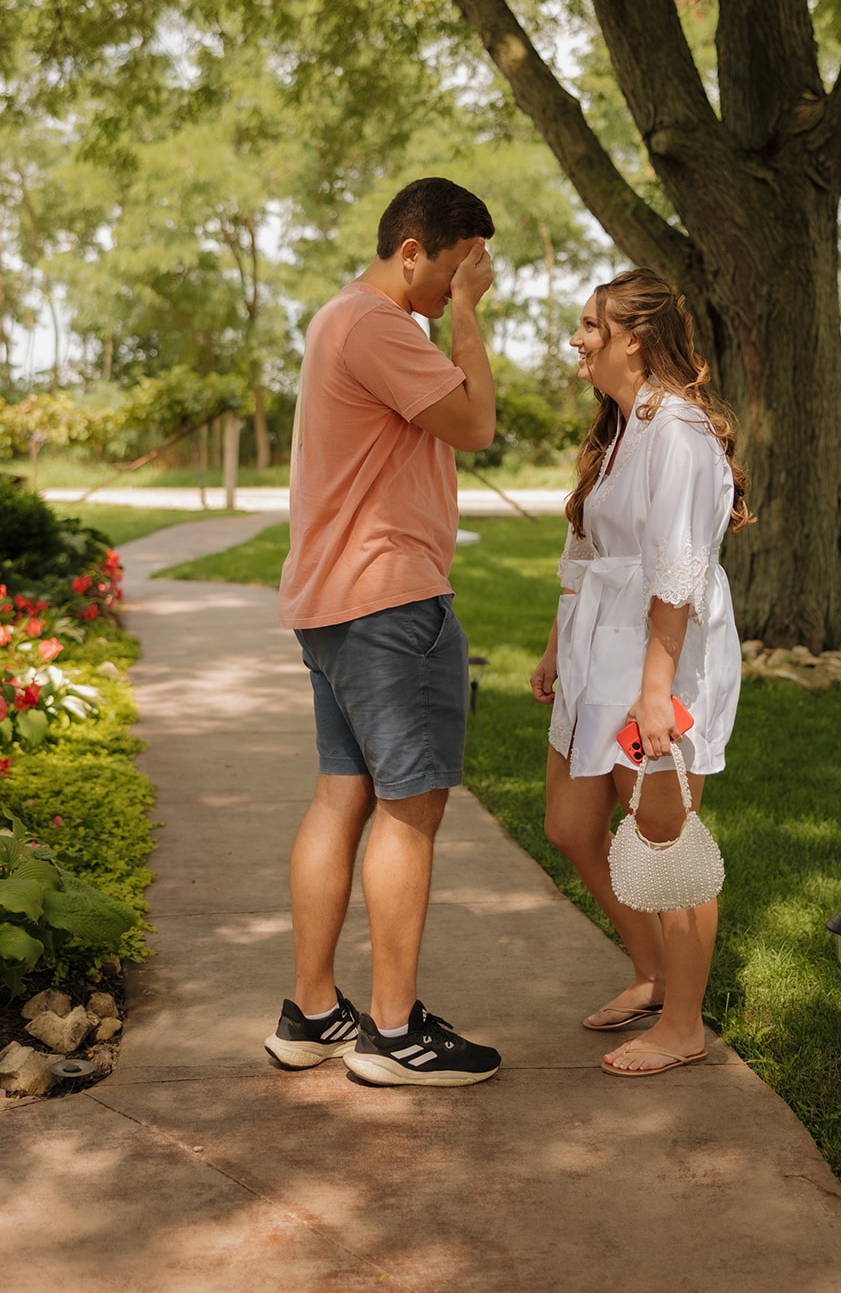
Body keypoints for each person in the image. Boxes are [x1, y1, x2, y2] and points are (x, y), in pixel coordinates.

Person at [266, 177, 502, 1087]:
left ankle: (313, 1014)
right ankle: (394, 1034)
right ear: (413, 251)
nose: (458, 285)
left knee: (341, 799)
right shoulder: (378, 326)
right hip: (385, 602)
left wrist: (450, 312)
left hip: (335, 604)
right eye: (454, 268)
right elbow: (476, 424)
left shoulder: (341, 322)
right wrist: (468, 321)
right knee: (411, 810)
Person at [530, 268, 750, 1077]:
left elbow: (678, 573)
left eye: (591, 325)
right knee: (569, 824)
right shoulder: (621, 427)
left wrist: (656, 690)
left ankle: (684, 1024)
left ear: (634, 336)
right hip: (595, 645)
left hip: (659, 654)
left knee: (664, 838)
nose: (578, 339)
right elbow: (587, 550)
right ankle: (653, 971)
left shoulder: (679, 434)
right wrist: (558, 644)